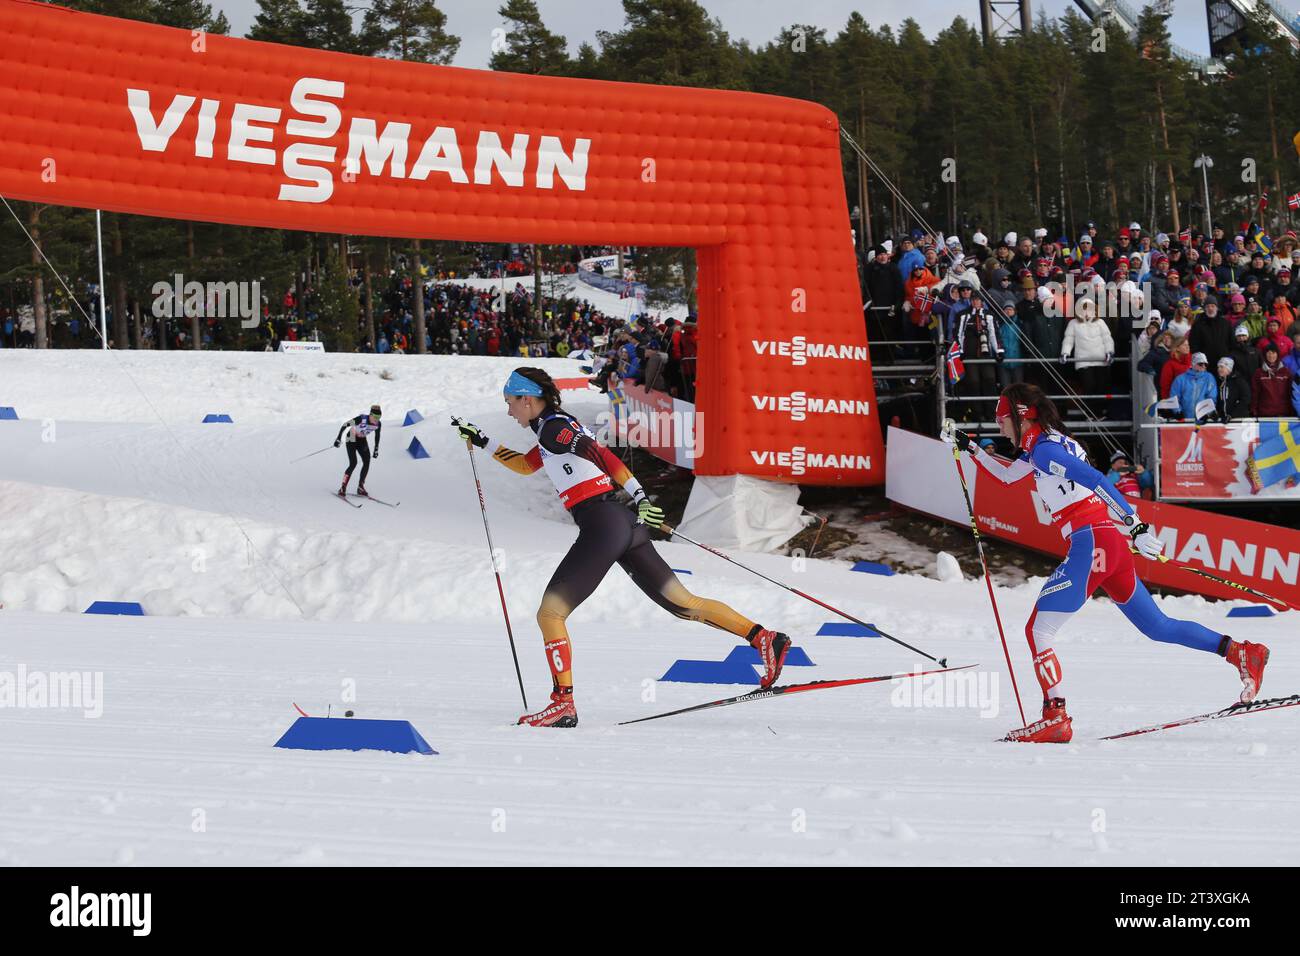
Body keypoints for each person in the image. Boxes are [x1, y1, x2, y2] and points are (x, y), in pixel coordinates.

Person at [453, 367, 793, 728]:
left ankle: (562, 704)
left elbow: (599, 454)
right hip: (622, 524)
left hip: (603, 524)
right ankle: (764, 639)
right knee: (684, 604)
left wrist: (641, 494)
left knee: (550, 614)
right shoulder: (549, 431)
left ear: (527, 398)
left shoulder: (554, 427)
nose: (509, 411)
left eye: (510, 403)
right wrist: (483, 441)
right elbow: (525, 466)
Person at [946, 384, 1269, 743]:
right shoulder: (1045, 444)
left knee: (1038, 631)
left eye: (1002, 419)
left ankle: (1056, 716)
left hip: (1092, 542)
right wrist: (969, 446)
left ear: (1022, 417)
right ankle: (1242, 653)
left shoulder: (1045, 451)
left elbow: (1096, 479)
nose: (999, 426)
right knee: (1158, 626)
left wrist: (1135, 524)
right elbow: (1007, 477)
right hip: (1107, 543)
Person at [334, 404, 382, 497]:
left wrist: (376, 449)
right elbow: (345, 425)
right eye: (375, 417)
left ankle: (360, 487)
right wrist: (339, 438)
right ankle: (343, 487)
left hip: (361, 439)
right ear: (370, 415)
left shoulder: (378, 424)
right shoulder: (362, 418)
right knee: (353, 463)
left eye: (379, 417)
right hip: (351, 437)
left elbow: (377, 436)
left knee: (367, 461)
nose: (377, 419)